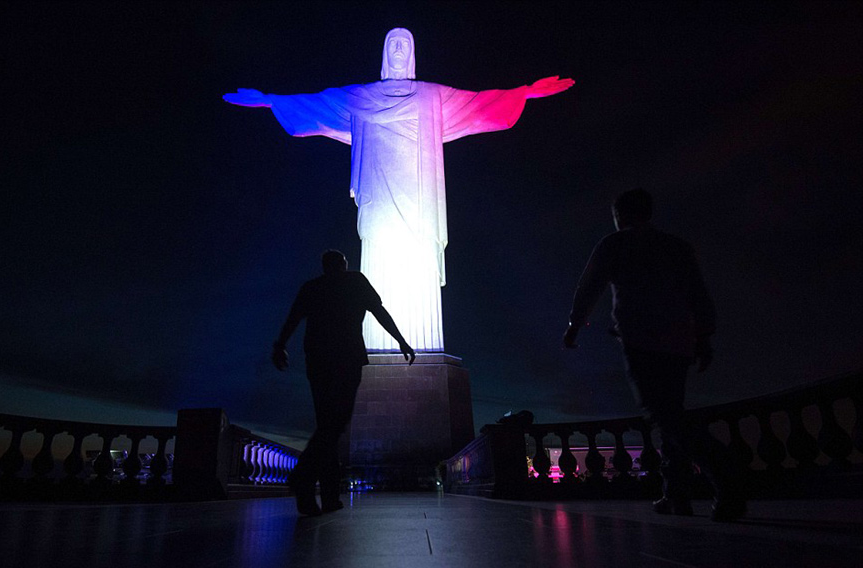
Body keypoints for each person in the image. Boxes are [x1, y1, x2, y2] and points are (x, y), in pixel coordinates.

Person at [225, 28, 573, 353]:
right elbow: (317, 104)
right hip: (378, 199)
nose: (398, 49)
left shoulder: (432, 95)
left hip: (420, 201)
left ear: (413, 54)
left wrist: (524, 92)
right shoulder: (361, 96)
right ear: (383, 53)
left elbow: (478, 104)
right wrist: (271, 101)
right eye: (392, 43)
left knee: (415, 267)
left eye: (404, 44)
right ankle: (382, 346)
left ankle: (420, 344)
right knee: (380, 262)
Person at [562, 189, 746, 522]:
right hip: (680, 343)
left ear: (620, 215)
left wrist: (575, 325)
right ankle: (675, 494)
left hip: (641, 341)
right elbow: (698, 293)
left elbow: (589, 285)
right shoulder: (677, 247)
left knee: (665, 417)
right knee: (671, 412)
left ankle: (726, 476)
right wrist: (703, 339)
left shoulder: (615, 244)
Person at [273, 250, 415, 515]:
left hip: (317, 360)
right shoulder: (355, 281)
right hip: (347, 358)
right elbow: (378, 311)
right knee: (334, 424)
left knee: (328, 424)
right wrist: (400, 340)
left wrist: (280, 345)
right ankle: (305, 477)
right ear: (343, 265)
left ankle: (326, 496)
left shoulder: (312, 287)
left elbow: (292, 318)